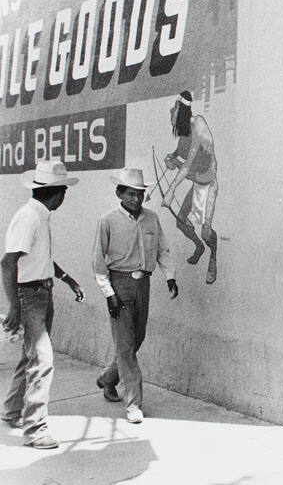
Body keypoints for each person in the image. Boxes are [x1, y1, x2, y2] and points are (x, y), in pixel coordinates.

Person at [1, 161, 84, 449]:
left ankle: (12, 409)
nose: (64, 197)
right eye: (63, 192)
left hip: (41, 293)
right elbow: (8, 262)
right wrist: (13, 307)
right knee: (43, 361)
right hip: (29, 296)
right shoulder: (30, 218)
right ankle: (35, 430)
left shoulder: (41, 216)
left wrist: (67, 278)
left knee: (30, 357)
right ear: (56, 192)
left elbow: (41, 258)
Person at [93, 168, 179, 424]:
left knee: (137, 338)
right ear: (119, 193)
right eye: (131, 194)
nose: (136, 199)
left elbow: (163, 249)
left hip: (144, 285)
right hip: (119, 285)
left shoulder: (151, 218)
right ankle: (134, 404)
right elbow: (98, 262)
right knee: (126, 346)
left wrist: (170, 277)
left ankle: (108, 378)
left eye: (140, 194)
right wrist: (109, 293)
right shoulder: (107, 221)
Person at [162, 90, 218, 284]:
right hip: (197, 184)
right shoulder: (184, 135)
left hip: (208, 184)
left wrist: (170, 192)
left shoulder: (198, 125)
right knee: (181, 221)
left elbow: (188, 165)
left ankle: (213, 258)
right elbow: (179, 156)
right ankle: (199, 247)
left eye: (173, 112)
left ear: (180, 111)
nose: (171, 115)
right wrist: (171, 158)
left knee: (206, 231)